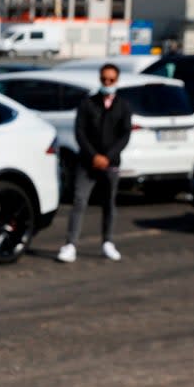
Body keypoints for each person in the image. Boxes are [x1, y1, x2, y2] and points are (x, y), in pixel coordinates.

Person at [57, 63, 132, 263]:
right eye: (104, 79)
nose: (107, 83)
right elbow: (79, 132)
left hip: (111, 163)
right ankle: (70, 244)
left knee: (109, 202)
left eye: (111, 80)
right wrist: (93, 156)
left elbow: (124, 135)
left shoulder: (123, 106)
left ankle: (108, 242)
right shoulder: (88, 103)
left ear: (117, 81)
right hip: (87, 162)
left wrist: (108, 156)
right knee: (79, 201)